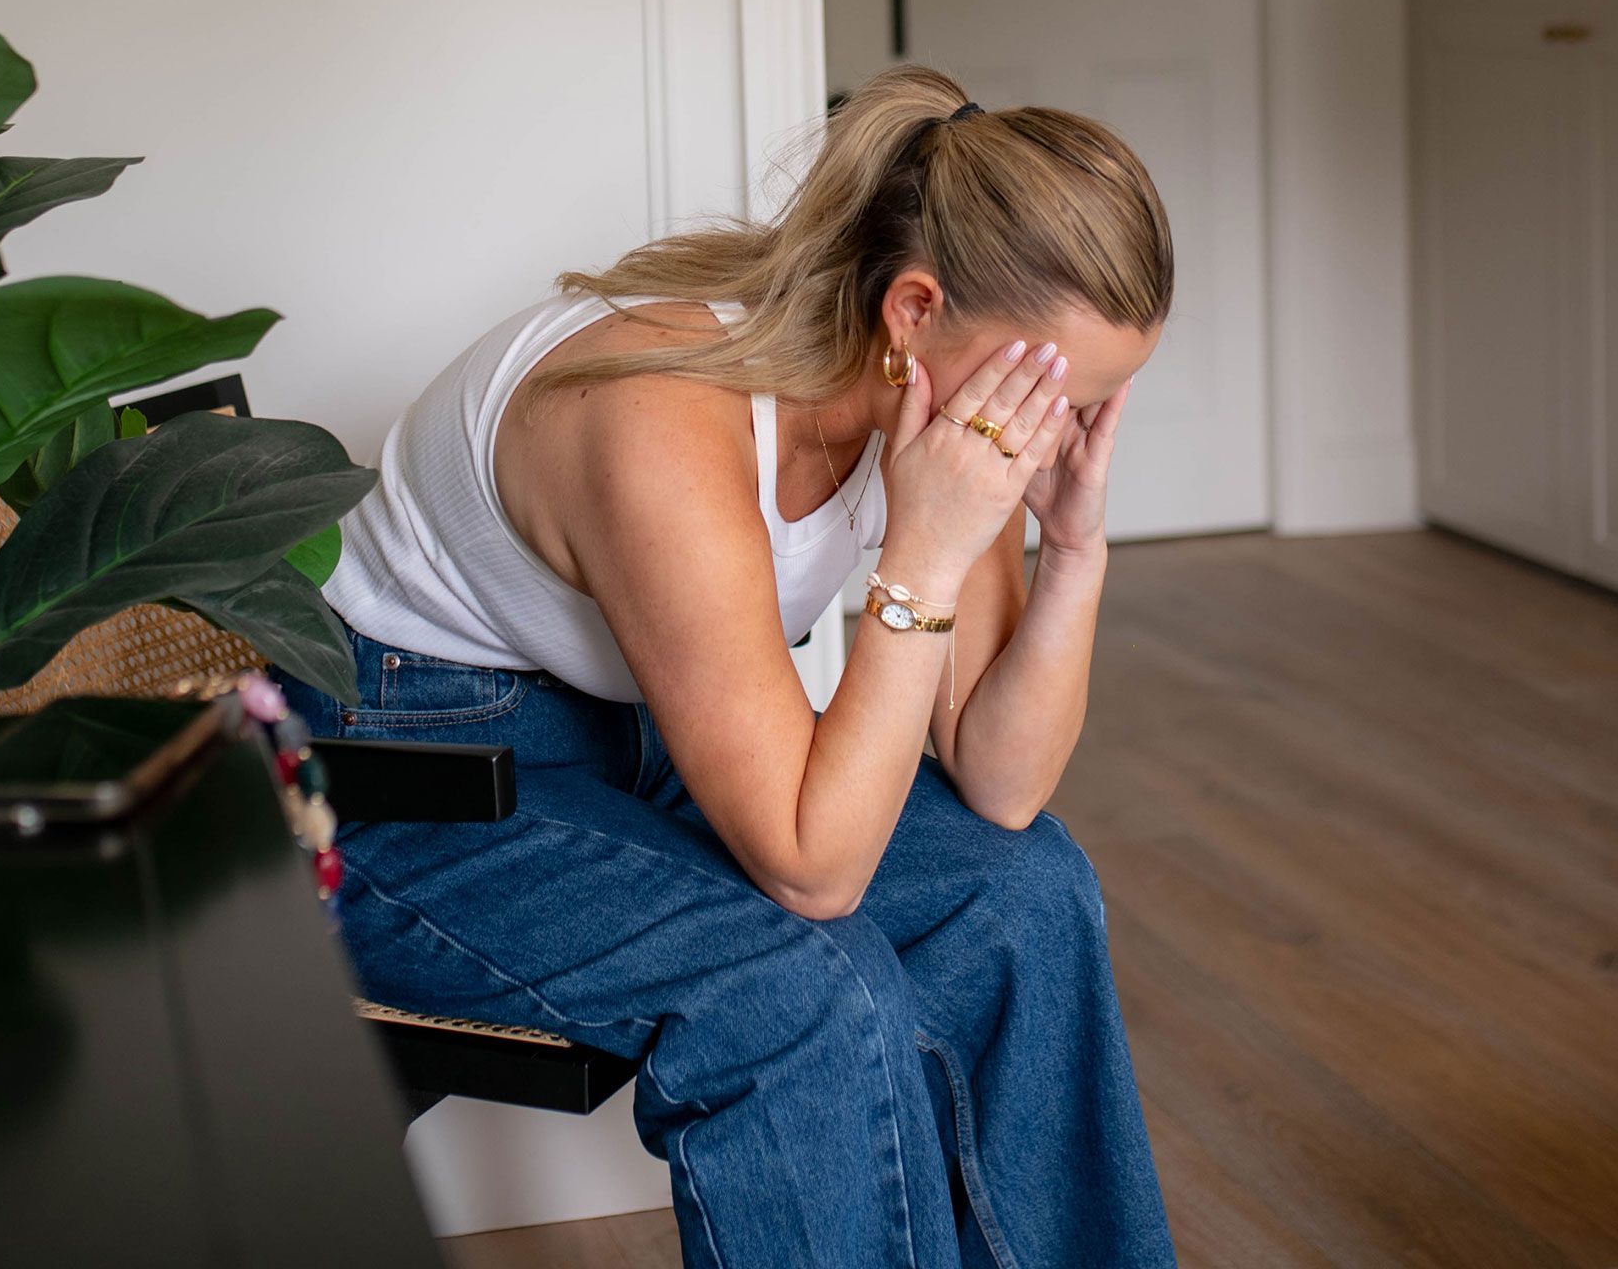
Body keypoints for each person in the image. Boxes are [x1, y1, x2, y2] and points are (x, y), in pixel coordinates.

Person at [282, 63, 1178, 1268]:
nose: (1047, 434)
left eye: (1088, 406)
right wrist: (922, 551)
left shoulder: (946, 411)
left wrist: (1069, 550)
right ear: (912, 312)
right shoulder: (659, 414)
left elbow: (1003, 786)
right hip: (397, 770)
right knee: (792, 983)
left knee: (1024, 891)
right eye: (1045, 393)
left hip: (631, 733)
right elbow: (815, 875)